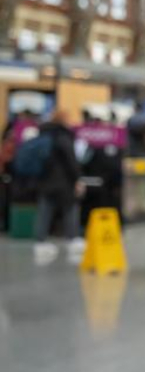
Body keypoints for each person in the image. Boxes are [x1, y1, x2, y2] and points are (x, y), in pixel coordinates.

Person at [30, 110, 84, 265]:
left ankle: (40, 241)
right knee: (70, 208)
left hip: (45, 179)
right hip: (63, 180)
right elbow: (70, 160)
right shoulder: (63, 136)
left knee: (45, 210)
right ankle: (72, 239)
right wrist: (77, 178)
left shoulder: (43, 133)